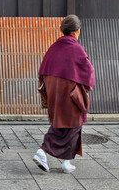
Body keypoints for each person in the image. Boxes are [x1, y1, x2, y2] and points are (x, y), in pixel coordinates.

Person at [33, 14, 94, 174]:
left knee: (62, 123)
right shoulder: (76, 48)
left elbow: (42, 71)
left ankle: (66, 162)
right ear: (75, 32)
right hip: (70, 94)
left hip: (54, 93)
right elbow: (88, 71)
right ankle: (42, 151)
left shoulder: (54, 47)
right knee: (73, 124)